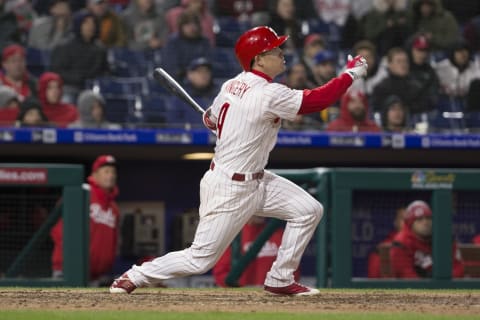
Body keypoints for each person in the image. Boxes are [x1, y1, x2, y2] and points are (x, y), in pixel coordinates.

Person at [110, 26, 367, 295]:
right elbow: (318, 100)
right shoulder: (269, 93)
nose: (282, 54)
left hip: (257, 179)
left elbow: (211, 118)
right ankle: (136, 275)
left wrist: (220, 124)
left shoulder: (230, 84)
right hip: (229, 187)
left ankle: (280, 278)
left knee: (308, 210)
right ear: (258, 59)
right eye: (275, 50)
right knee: (200, 259)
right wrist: (349, 75)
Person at [51, 155, 120, 282]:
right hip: (69, 270)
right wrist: (69, 259)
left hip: (97, 275)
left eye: (113, 172)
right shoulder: (80, 195)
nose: (111, 176)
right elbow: (57, 230)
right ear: (94, 175)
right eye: (106, 171)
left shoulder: (114, 208)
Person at [213, 216, 299, 287]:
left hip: (274, 296)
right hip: (241, 297)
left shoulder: (279, 234)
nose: (261, 213)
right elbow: (220, 273)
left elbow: (292, 269)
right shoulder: (233, 236)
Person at [390, 200, 464, 278]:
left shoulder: (444, 238)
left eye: (428, 218)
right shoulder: (401, 242)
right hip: (414, 289)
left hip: (444, 288)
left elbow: (458, 268)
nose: (425, 222)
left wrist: (441, 284)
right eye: (419, 219)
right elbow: (406, 276)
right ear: (410, 223)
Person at [50, 10, 109, 103]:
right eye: (86, 23)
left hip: (93, 88)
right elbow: (57, 72)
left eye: (93, 23)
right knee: (67, 98)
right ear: (78, 25)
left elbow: (105, 70)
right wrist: (77, 78)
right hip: (70, 86)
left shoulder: (100, 49)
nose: (91, 26)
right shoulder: (64, 46)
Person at [367, 207, 406, 278]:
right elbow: (374, 280)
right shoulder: (384, 249)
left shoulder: (426, 245)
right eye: (404, 219)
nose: (408, 223)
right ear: (395, 222)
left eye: (410, 219)